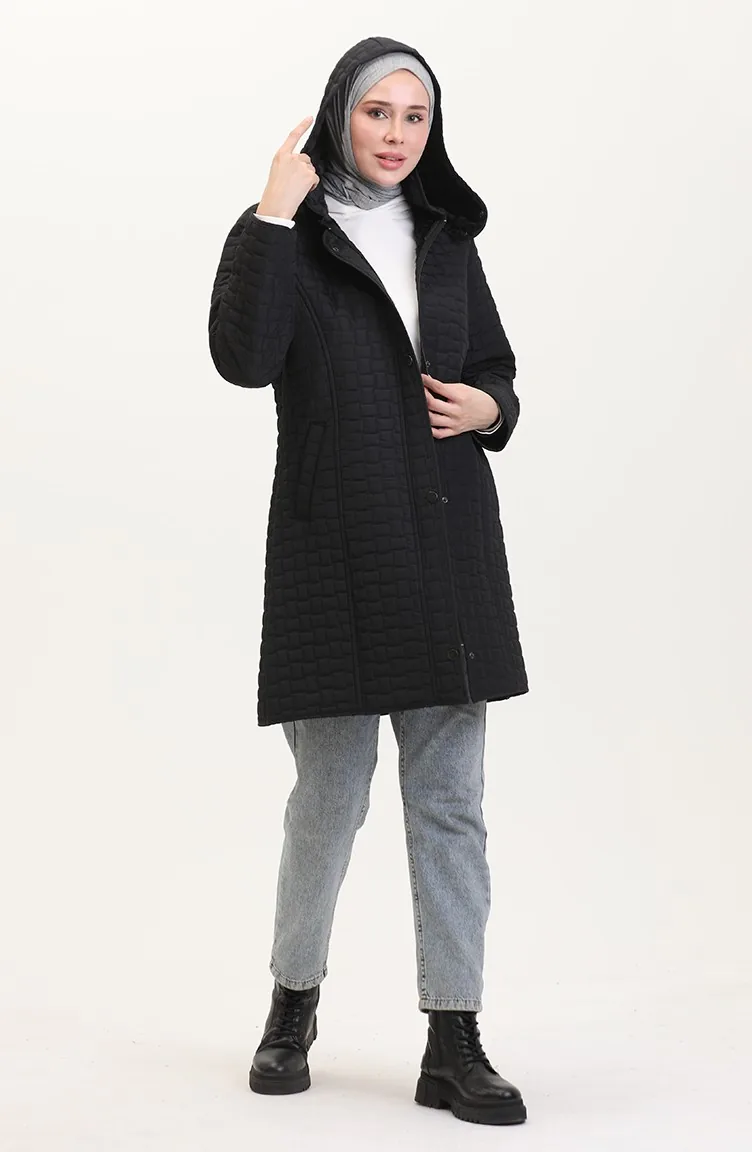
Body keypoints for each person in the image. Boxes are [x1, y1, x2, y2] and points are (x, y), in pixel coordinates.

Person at [208, 35, 529, 1126]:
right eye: (376, 112)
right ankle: (291, 1006)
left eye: (414, 117)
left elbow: (494, 367)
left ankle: (454, 1039)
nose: (396, 135)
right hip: (334, 552)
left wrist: (491, 409)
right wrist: (270, 210)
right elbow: (243, 360)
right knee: (327, 805)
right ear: (338, 112)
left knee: (451, 809)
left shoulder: (445, 238)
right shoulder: (285, 234)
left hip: (445, 547)